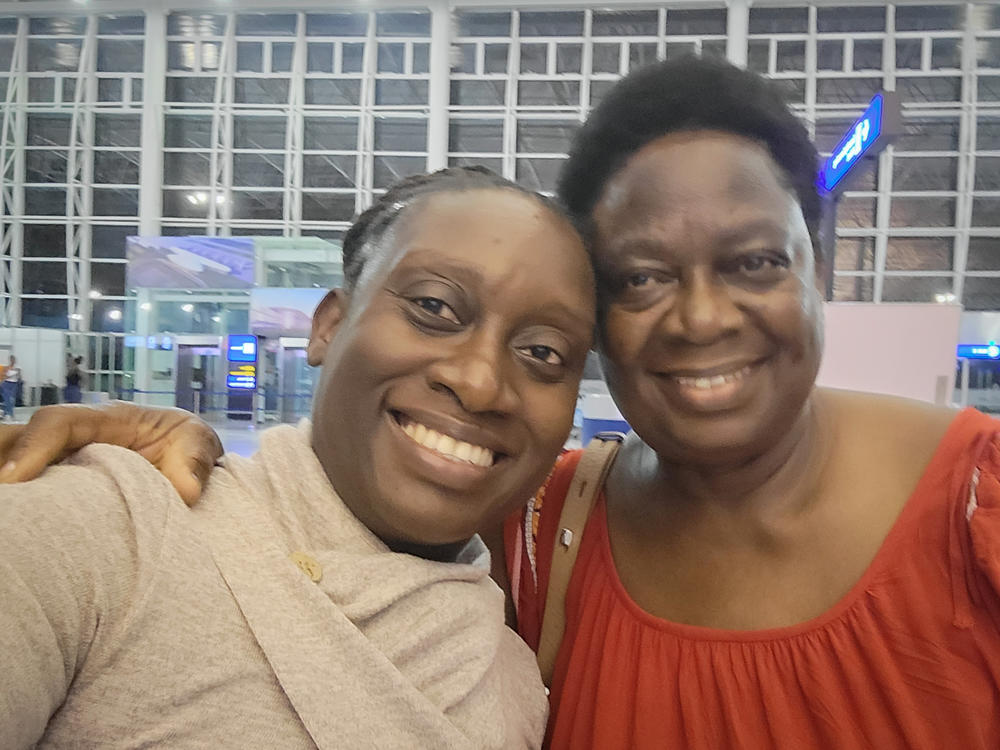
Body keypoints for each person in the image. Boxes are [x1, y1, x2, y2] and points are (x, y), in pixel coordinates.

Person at [4, 58, 1000, 749]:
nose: (700, 318)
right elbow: (314, 517)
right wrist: (135, 462)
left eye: (752, 261)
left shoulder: (976, 506)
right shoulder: (540, 526)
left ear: (818, 269)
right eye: (643, 277)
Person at [0, 167, 596, 748]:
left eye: (543, 350)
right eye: (434, 308)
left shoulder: (514, 681)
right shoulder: (109, 528)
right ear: (330, 327)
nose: (480, 383)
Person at [1, 354, 21, 421]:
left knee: (12, 400)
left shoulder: (17, 368)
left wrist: (16, 374)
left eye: (14, 360)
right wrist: (10, 375)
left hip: (13, 384)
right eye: (11, 359)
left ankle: (8, 413)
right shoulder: (6, 368)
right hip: (6, 384)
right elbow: (4, 376)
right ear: (10, 360)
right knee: (7, 400)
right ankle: (8, 414)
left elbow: (19, 377)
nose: (12, 361)